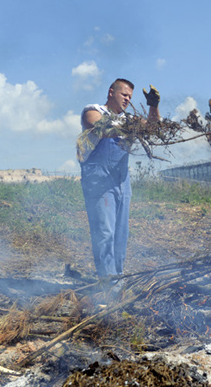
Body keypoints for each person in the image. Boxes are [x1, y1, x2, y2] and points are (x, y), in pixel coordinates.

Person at [79, 78, 160, 278]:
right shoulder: (93, 110)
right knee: (105, 233)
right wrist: (130, 128)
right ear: (111, 92)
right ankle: (107, 282)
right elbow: (100, 129)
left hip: (122, 181)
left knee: (120, 235)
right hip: (99, 181)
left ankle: (118, 278)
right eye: (124, 94)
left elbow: (152, 128)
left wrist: (153, 106)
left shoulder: (128, 119)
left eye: (130, 97)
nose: (127, 99)